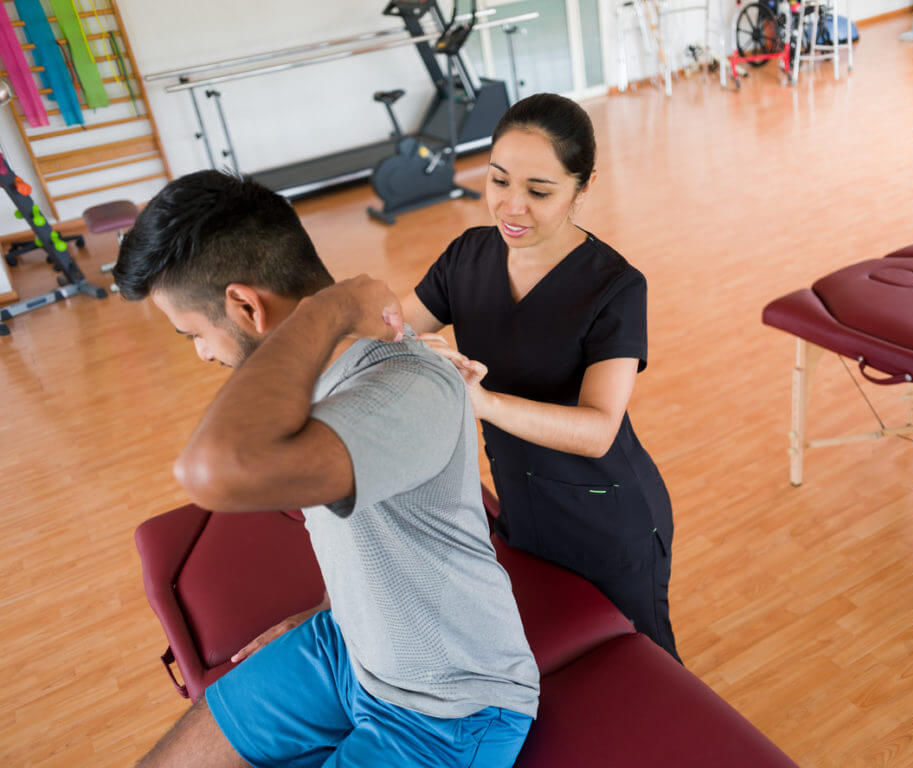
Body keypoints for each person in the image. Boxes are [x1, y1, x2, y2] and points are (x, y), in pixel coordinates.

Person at [113, 170, 539, 768]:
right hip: (345, 645)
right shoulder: (309, 383)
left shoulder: (407, 386)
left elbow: (212, 470)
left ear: (244, 305)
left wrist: (338, 304)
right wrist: (335, 609)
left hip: (448, 707)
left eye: (194, 334)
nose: (202, 353)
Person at [403, 93, 679, 662]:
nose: (512, 207)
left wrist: (483, 402)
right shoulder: (467, 258)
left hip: (609, 516)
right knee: (558, 670)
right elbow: (392, 330)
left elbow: (599, 429)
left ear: (584, 187)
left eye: (539, 191)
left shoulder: (616, 288)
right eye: (498, 180)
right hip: (524, 513)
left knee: (646, 672)